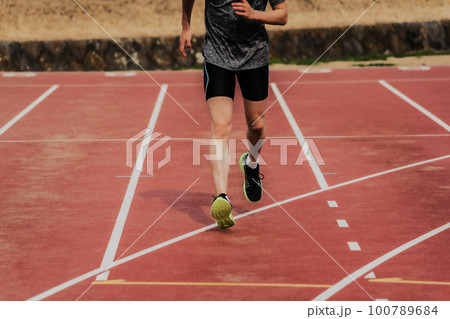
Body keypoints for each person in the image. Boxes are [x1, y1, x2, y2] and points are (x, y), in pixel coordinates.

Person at [180, 0, 287, 228]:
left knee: (257, 126)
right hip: (217, 56)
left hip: (254, 56)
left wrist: (254, 14)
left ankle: (251, 163)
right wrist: (186, 27)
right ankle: (222, 197)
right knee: (220, 127)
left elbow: (282, 16)